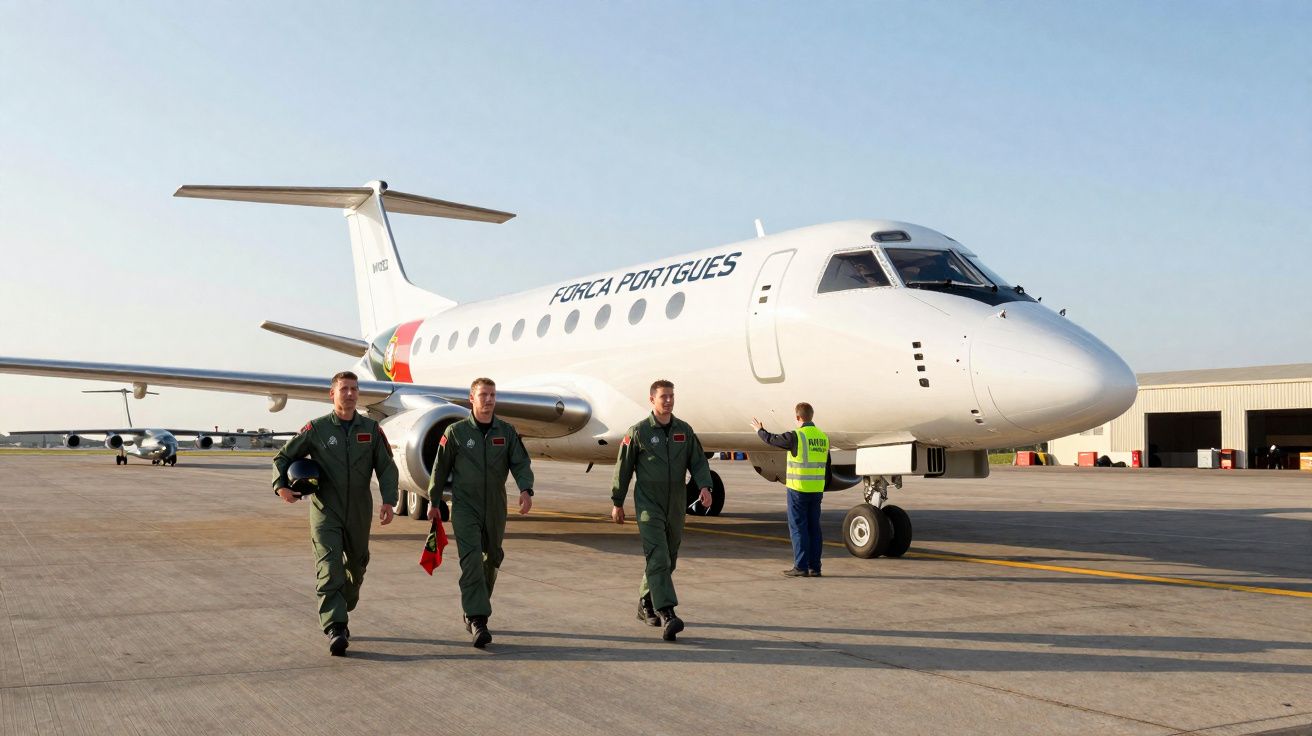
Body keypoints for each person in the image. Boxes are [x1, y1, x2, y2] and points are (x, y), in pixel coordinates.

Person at [273, 371, 398, 656]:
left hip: (359, 509)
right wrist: (280, 486)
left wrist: (388, 501)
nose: (350, 394)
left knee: (357, 564)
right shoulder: (316, 429)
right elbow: (283, 457)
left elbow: (387, 467)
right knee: (329, 567)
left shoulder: (371, 429)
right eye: (344, 389)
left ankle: (344, 601)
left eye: (354, 389)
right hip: (325, 508)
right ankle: (336, 627)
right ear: (332, 394)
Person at [427, 377, 534, 648]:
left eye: (492, 395)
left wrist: (525, 489)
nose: (489, 400)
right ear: (471, 398)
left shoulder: (506, 432)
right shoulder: (456, 433)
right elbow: (440, 469)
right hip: (465, 505)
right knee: (472, 559)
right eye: (483, 395)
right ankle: (477, 618)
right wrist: (434, 500)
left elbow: (520, 463)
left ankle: (476, 604)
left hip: (495, 505)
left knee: (492, 557)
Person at [611, 379, 713, 642]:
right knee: (658, 556)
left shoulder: (684, 430)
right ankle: (667, 612)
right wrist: (617, 502)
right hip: (649, 504)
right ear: (651, 400)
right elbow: (623, 469)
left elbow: (698, 462)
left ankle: (645, 602)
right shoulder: (638, 432)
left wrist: (705, 487)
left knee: (669, 558)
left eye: (671, 396)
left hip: (676, 504)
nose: (668, 400)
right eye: (663, 397)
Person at [751, 403, 828, 577]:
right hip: (816, 490)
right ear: (811, 416)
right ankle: (815, 567)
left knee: (798, 528)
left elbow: (772, 439)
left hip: (798, 490)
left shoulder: (796, 436)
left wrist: (759, 430)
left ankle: (800, 567)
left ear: (798, 417)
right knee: (814, 529)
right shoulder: (823, 437)